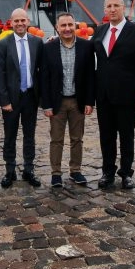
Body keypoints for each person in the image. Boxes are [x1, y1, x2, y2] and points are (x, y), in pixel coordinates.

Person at [92, 0, 135, 189]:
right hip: (104, 96)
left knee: (126, 136)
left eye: (116, 5)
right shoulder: (100, 31)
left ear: (123, 8)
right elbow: (87, 51)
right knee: (106, 136)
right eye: (108, 6)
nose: (112, 9)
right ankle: (107, 172)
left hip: (128, 97)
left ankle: (126, 173)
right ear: (104, 9)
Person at [39, 12, 95, 188]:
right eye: (63, 25)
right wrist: (46, 104)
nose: (67, 28)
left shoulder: (86, 46)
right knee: (56, 140)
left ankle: (75, 170)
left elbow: (90, 76)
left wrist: (89, 101)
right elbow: (44, 78)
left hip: (78, 101)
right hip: (58, 102)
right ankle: (56, 173)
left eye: (70, 25)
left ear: (75, 26)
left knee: (77, 139)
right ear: (57, 28)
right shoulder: (48, 48)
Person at [0, 8, 44, 188]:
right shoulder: (3, 44)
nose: (20, 23)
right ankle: (10, 170)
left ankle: (29, 169)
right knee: (10, 136)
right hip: (11, 99)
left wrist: (42, 98)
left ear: (28, 21)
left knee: (29, 135)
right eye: (16, 21)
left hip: (30, 96)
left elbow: (41, 71)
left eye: (23, 20)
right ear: (11, 22)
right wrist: (4, 100)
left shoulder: (37, 42)